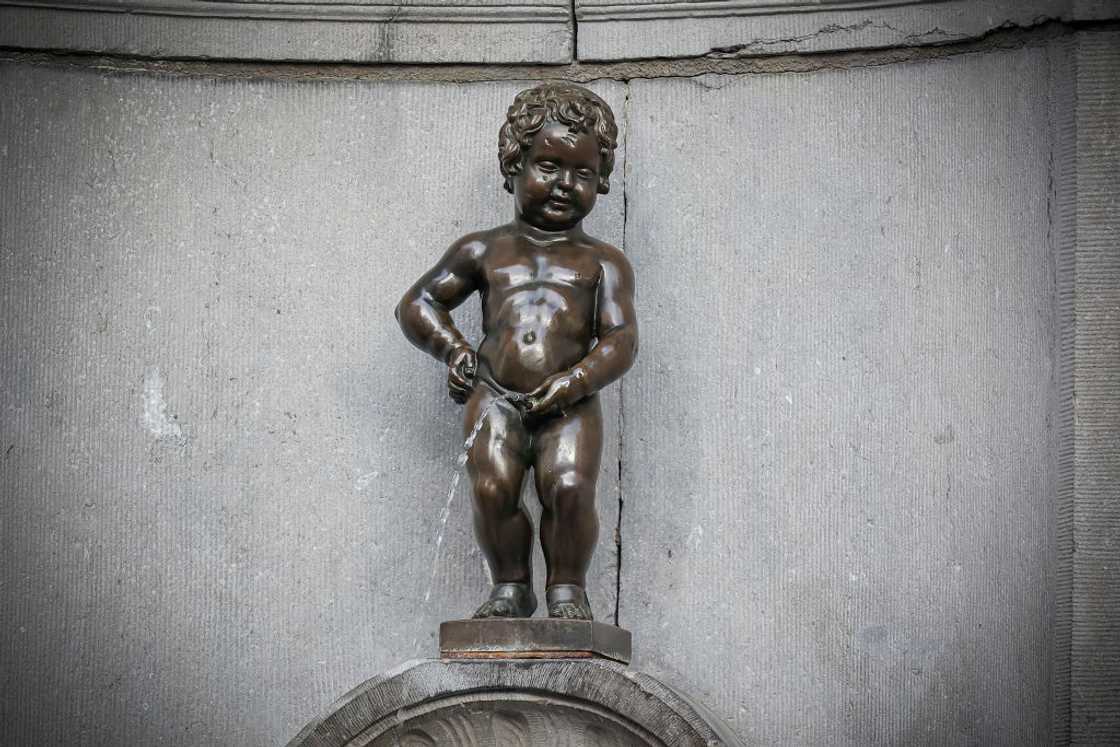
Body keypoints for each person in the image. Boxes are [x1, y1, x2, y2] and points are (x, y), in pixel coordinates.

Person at [396, 83, 637, 621]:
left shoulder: (604, 262)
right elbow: (418, 304)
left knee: (570, 487)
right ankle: (510, 585)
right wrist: (453, 350)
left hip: (570, 400)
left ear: (601, 181)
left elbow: (621, 339)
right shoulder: (483, 249)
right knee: (492, 487)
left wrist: (574, 382)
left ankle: (567, 587)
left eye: (581, 173)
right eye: (548, 165)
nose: (563, 184)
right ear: (514, 164)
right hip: (495, 395)